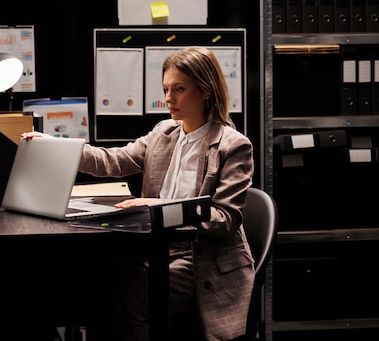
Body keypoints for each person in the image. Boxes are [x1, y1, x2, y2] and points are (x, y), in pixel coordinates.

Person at [22, 46, 255, 341]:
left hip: (199, 259)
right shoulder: (164, 133)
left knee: (128, 299)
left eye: (179, 89)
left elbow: (225, 219)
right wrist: (57, 146)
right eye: (166, 89)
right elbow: (114, 160)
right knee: (90, 284)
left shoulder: (233, 146)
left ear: (205, 90)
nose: (168, 98)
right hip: (158, 248)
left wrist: (163, 205)